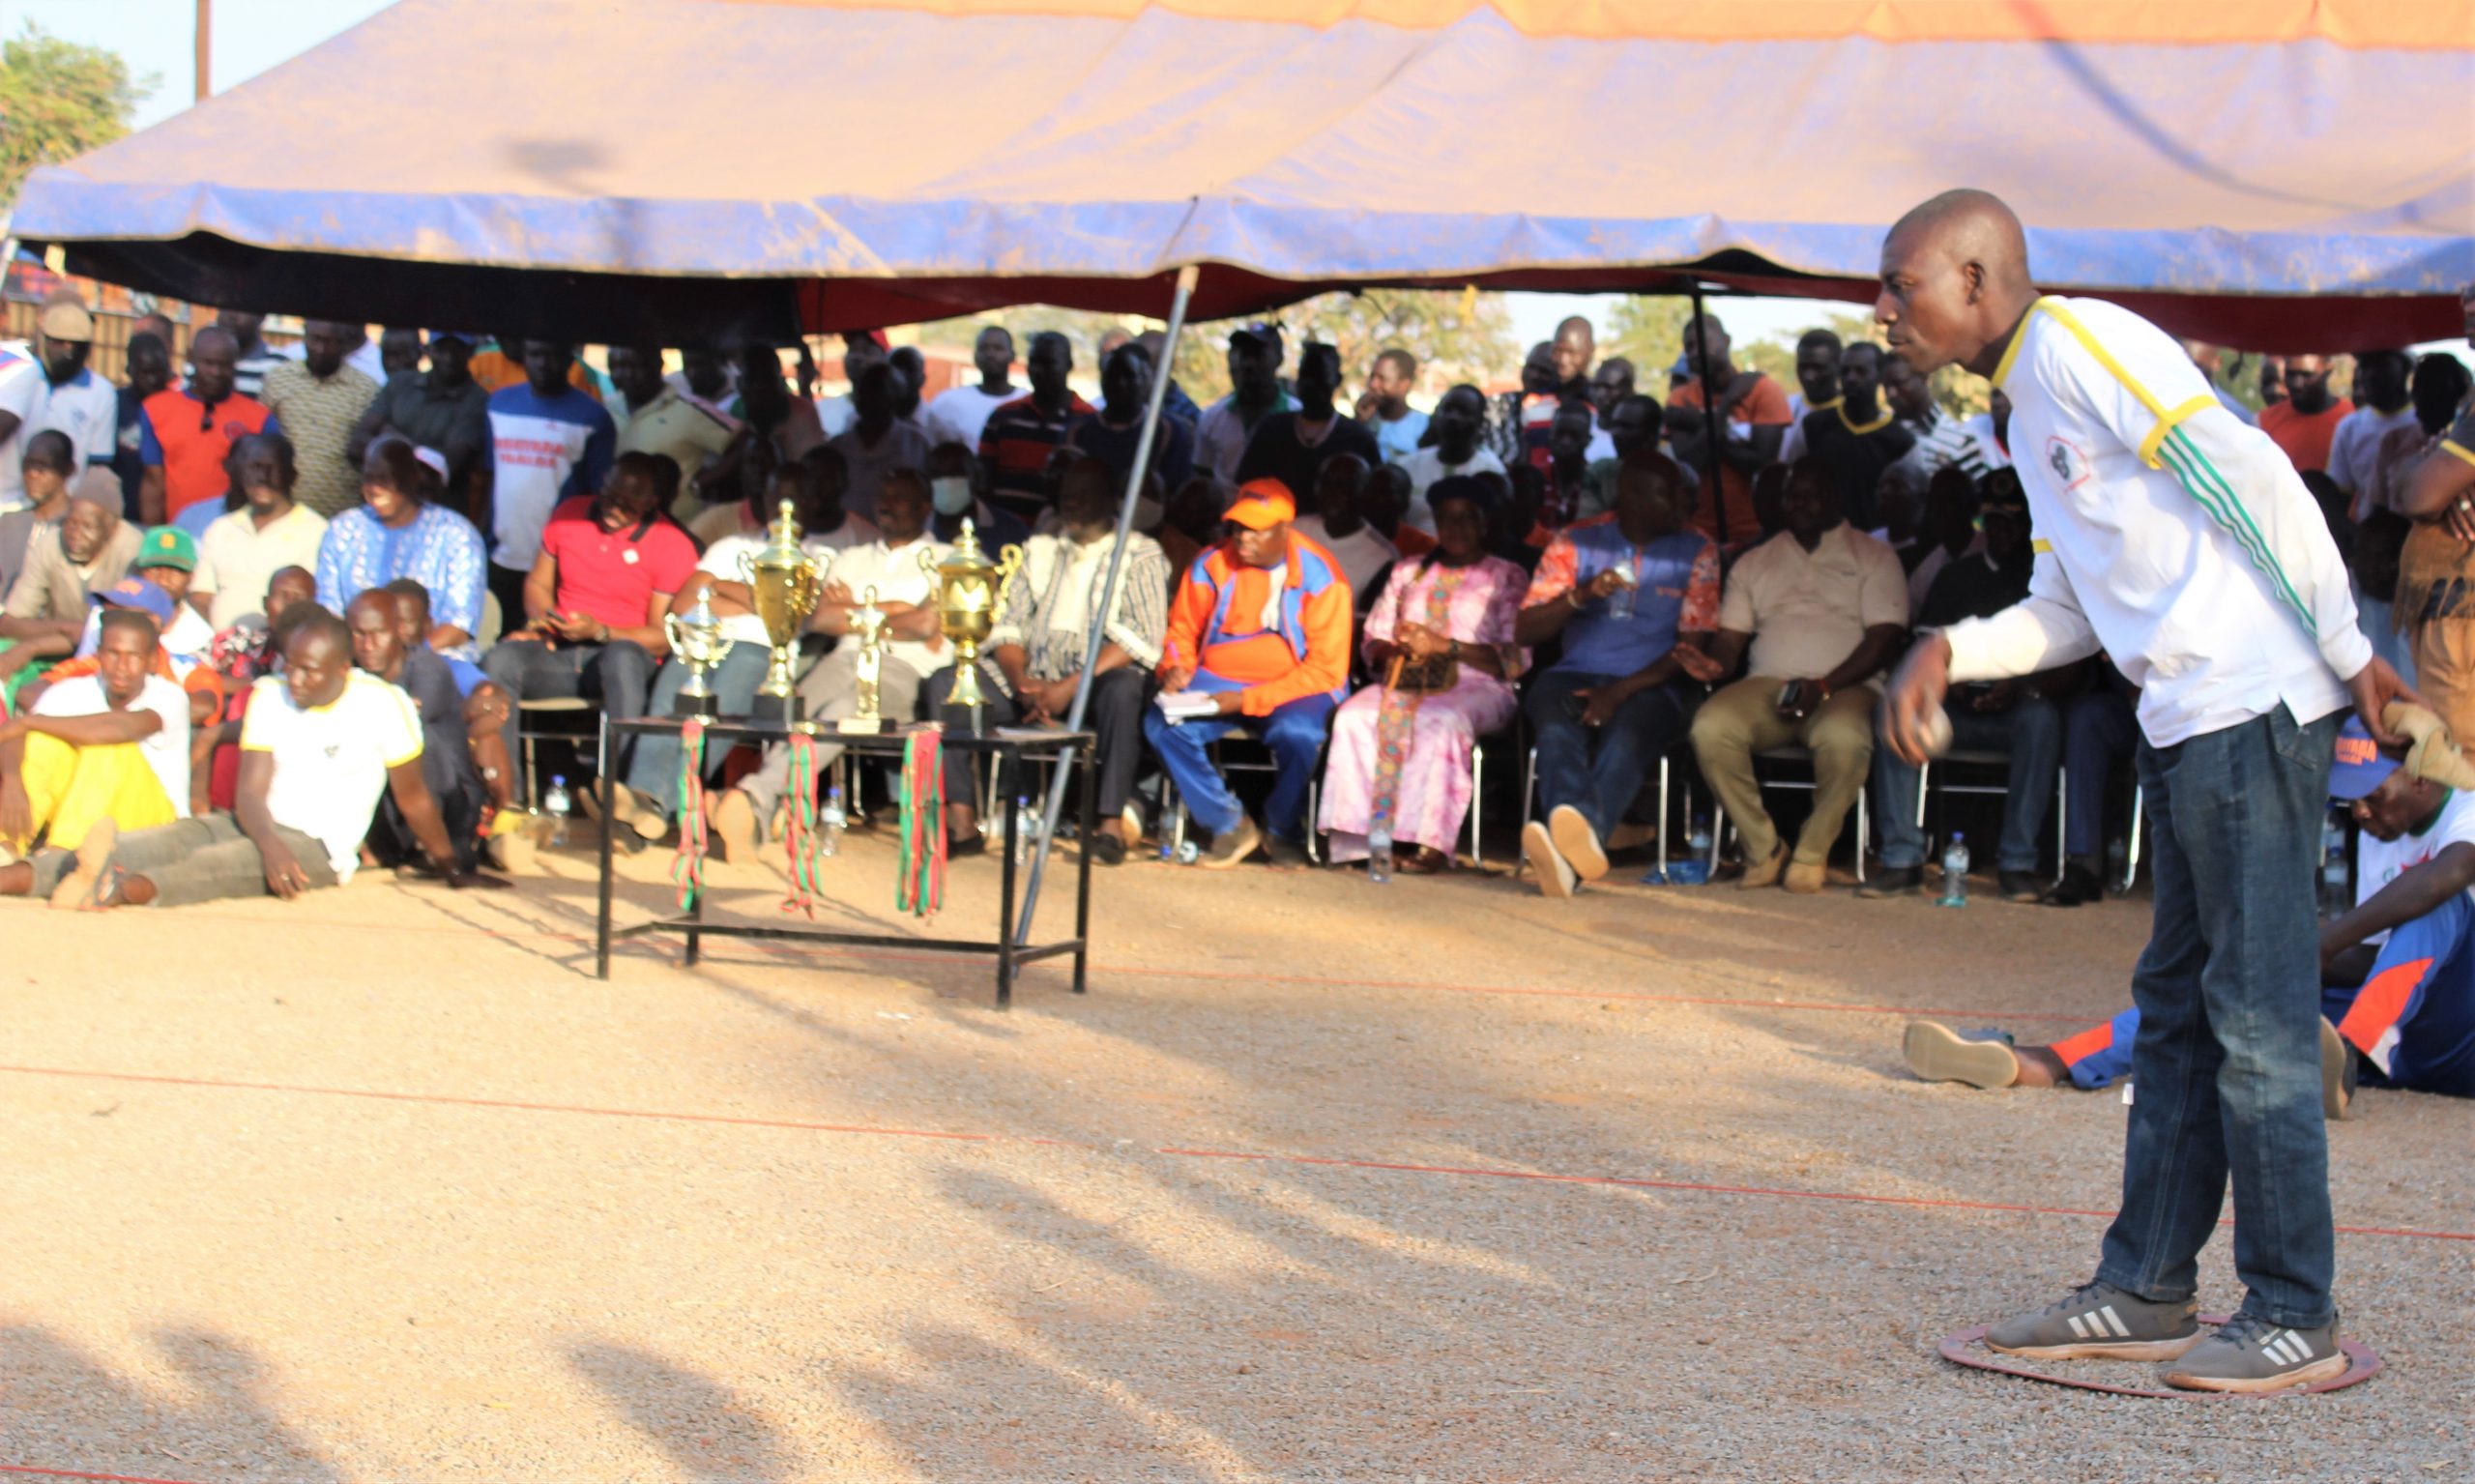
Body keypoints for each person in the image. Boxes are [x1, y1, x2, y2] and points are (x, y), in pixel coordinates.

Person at [1875, 189, 2411, 1392]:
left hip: (2250, 703)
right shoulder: (2024, 408)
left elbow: (2247, 472)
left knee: (2255, 1017)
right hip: (2183, 719)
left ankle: (2293, 1310)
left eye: (1899, 283)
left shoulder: (2082, 342)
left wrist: (2348, 649)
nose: (1883, 311)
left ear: (1974, 278)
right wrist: (1949, 646)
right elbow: (2064, 608)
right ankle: (2146, 1285)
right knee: (2176, 1008)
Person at [1907, 720, 2475, 1107]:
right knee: (2234, 982)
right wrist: (2281, 960)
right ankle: (2050, 1061)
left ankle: (2343, 1058)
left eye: (2374, 795)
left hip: (2458, 1039)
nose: (2361, 812)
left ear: (2420, 777)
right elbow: (2377, 957)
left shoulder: (2466, 809)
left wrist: (2320, 945)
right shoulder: (2380, 829)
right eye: (2351, 799)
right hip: (2393, 1039)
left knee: (2437, 904)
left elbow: (2447, 876)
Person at [31, 609, 498, 911]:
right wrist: (270, 844)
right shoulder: (270, 694)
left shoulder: (383, 703)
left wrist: (453, 868)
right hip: (252, 822)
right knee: (170, 839)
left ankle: (115, 888)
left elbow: (414, 800)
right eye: (290, 665)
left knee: (211, 868)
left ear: (342, 669)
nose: (294, 678)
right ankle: (28, 875)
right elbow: (250, 793)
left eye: (308, 671)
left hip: (318, 847)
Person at [922, 456, 1168, 862]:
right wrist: (1021, 680)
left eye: (1084, 496)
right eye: (1066, 496)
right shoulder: (1038, 550)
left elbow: (1142, 637)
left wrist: (1069, 687)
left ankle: (1109, 825)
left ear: (1110, 500)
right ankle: (961, 821)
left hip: (1096, 685)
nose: (1072, 504)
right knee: (946, 683)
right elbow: (1009, 626)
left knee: (1124, 689)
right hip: (1031, 682)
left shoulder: (1140, 553)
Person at [703, 470, 951, 860]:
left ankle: (758, 794)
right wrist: (895, 613)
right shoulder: (851, 557)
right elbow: (816, 618)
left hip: (902, 669)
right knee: (798, 705)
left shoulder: (948, 559)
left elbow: (925, 625)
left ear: (925, 508)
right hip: (842, 658)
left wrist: (850, 611)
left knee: (847, 711)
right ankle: (766, 804)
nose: (887, 505)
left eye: (899, 498)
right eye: (883, 496)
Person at [611, 461, 861, 847]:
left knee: (720, 716)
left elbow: (801, 614)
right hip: (702, 642)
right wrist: (765, 600)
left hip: (763, 651)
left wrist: (721, 588)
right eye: (775, 493)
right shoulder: (731, 545)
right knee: (668, 704)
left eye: (794, 496)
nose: (782, 504)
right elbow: (685, 603)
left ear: (813, 501)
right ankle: (643, 798)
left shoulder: (823, 556)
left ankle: (660, 807)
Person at [1691, 458, 1907, 893]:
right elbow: (1731, 640)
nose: (1799, 504)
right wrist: (1713, 664)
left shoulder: (1874, 555)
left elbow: (1884, 639)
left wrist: (1823, 686)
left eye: (1811, 495)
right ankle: (1763, 849)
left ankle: (1811, 853)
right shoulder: (1756, 561)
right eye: (1792, 495)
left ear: (1836, 499)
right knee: (1710, 728)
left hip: (1846, 687)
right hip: (1768, 684)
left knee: (1846, 739)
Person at [1515, 451, 1719, 895]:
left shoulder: (1697, 548)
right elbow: (1525, 629)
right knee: (1555, 727)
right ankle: (1578, 848)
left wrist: (1619, 692)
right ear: (1632, 497)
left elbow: (1690, 648)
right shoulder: (1576, 541)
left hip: (1653, 682)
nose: (1683, 503)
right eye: (1669, 494)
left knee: (1628, 733)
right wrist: (1582, 594)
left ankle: (1569, 850)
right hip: (1575, 672)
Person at [1862, 480, 2063, 901]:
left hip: (2014, 712)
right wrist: (1950, 687)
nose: (2002, 532)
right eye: (1993, 522)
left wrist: (2017, 688)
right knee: (1895, 708)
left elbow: (2067, 660)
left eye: (2012, 523)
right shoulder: (1956, 575)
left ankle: (2017, 863)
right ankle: (1901, 858)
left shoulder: (2044, 580)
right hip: (1953, 709)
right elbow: (1921, 651)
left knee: (2042, 720)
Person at [1317, 477, 1524, 872]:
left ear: (1484, 524)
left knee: (1440, 721)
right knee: (1353, 717)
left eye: (1467, 518)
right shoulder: (1408, 571)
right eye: (1447, 519)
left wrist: (1445, 646)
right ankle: (1363, 842)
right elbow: (1374, 637)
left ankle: (1429, 843)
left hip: (1478, 683)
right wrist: (1392, 652)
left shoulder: (1506, 576)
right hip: (1405, 678)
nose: (1456, 528)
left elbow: (1513, 659)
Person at [1145, 480, 1351, 868]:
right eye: (1239, 527)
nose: (1243, 537)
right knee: (1163, 724)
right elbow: (1181, 631)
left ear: (1285, 530)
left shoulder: (1322, 576)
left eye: (1256, 530)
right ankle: (1229, 824)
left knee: (1301, 735)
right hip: (1217, 677)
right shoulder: (1211, 562)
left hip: (1295, 683)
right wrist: (1175, 667)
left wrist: (1246, 700)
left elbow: (1326, 669)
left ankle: (1282, 828)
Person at [482, 451, 696, 797]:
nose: (613, 510)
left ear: (652, 502)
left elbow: (662, 637)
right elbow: (537, 583)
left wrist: (600, 631)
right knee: (500, 660)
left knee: (621, 658)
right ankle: (507, 798)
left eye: (627, 506)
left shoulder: (672, 544)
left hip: (621, 657)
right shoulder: (569, 515)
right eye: (608, 497)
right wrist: (544, 620)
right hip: (561, 649)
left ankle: (619, 797)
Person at [0, 607, 189, 866]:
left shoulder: (170, 696)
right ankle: (7, 848)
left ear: (151, 660)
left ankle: (62, 855)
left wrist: (29, 721)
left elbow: (117, 729)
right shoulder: (71, 691)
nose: (122, 666)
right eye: (113, 653)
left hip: (156, 819)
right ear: (98, 654)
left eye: (133, 656)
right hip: (91, 812)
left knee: (106, 748)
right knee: (45, 742)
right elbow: (15, 735)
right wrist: (12, 782)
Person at [345, 590, 485, 873]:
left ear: (399, 630)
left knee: (410, 739)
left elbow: (399, 723)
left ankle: (435, 850)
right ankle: (377, 847)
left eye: (378, 633)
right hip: (395, 806)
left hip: (449, 806)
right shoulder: (350, 669)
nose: (368, 645)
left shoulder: (428, 670)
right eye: (358, 634)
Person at [482, 340, 618, 627]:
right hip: (502, 555)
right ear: (524, 357)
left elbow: (597, 496)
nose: (543, 364)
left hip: (557, 564)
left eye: (553, 355)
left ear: (570, 359)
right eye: (535, 354)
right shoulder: (499, 404)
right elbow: (490, 479)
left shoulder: (593, 417)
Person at [316, 440, 490, 660]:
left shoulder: (456, 534)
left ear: (411, 478)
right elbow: (330, 612)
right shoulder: (343, 530)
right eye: (369, 477)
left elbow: (459, 626)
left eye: (385, 478)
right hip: (359, 659)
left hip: (436, 659)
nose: (375, 488)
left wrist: (403, 661)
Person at [1664, 313, 1793, 545]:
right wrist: (1725, 406)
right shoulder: (1680, 398)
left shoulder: (1763, 390)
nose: (1695, 352)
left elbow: (1761, 463)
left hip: (1755, 532)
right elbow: (1691, 462)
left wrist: (1700, 424)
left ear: (1726, 340)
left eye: (1703, 342)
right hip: (1696, 533)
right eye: (1689, 346)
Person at [1, 495, 142, 704]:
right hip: (52, 646)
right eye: (71, 522)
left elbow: (111, 635)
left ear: (111, 529)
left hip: (104, 660)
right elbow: (10, 622)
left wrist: (31, 647)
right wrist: (70, 629)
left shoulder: (131, 549)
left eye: (88, 526)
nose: (75, 533)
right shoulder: (50, 542)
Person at [137, 327, 280, 532]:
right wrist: (152, 536)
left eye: (224, 364)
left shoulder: (260, 418)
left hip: (235, 534)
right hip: (177, 535)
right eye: (208, 363)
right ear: (191, 358)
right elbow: (153, 483)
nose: (216, 372)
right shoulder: (156, 409)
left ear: (235, 363)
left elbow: (270, 486)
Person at [193, 433, 329, 631]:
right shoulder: (221, 528)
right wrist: (220, 641)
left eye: (273, 468)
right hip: (217, 643)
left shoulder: (317, 531)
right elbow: (200, 595)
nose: (263, 477)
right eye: (255, 467)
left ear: (291, 475)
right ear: (241, 474)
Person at [350, 329, 491, 511]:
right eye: (442, 349)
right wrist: (423, 454)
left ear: (471, 351)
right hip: (379, 509)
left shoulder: (478, 399)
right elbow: (356, 445)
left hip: (436, 514)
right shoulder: (400, 382)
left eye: (457, 350)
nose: (449, 358)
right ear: (428, 350)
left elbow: (442, 470)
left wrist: (391, 438)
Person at [258, 320, 380, 520]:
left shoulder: (367, 390)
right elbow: (261, 442)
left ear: (344, 343)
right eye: (315, 339)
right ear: (304, 335)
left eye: (330, 342)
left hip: (339, 517)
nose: (321, 349)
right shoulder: (278, 379)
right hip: (283, 516)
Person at [1236, 342, 1382, 507]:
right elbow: (1245, 487)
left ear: (1337, 380)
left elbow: (1374, 501)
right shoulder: (1271, 430)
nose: (1312, 385)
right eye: (1306, 376)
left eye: (1321, 378)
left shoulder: (1358, 439)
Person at [608, 344, 743, 519]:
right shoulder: (607, 409)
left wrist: (702, 483)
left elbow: (744, 441)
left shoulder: (689, 409)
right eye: (616, 366)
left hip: (679, 524)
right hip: (620, 524)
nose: (625, 374)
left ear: (657, 365)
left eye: (634, 366)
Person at [1795, 342, 1915, 532]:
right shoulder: (1814, 426)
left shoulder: (1900, 441)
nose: (1851, 378)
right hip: (1823, 540)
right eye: (1845, 371)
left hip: (1874, 542)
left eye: (1861, 371)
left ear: (1880, 376)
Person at [978, 333, 1094, 525]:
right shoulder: (1003, 416)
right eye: (1033, 362)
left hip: (1060, 532)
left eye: (1048, 363)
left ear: (1068, 365)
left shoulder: (1088, 421)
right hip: (1004, 531)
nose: (1039, 371)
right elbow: (984, 478)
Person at [1066, 343, 1195, 496]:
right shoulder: (1078, 432)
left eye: (1129, 376)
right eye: (1112, 376)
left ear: (1144, 381)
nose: (1120, 383)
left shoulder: (1168, 432)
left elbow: (1177, 491)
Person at [826, 363, 934, 522]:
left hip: (899, 533)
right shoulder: (837, 446)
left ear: (895, 398)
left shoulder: (917, 443)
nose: (871, 400)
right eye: (866, 392)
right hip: (845, 533)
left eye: (880, 392)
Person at [1195, 325, 1296, 488]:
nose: (1249, 363)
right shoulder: (1212, 417)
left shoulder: (1296, 415)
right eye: (1244, 354)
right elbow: (1201, 476)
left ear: (1278, 358)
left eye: (1258, 354)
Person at [26, 302, 118, 480]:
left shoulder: (100, 392)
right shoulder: (21, 375)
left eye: (76, 345)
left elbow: (98, 463)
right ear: (44, 340)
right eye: (59, 342)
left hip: (68, 496)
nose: (68, 352)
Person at [1396, 385, 1506, 532]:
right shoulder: (1406, 466)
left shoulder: (1492, 471)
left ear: (1480, 421)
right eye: (1447, 409)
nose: (1453, 417)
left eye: (1464, 412)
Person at [1291, 453, 1395, 600]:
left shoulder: (1381, 557)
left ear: (1365, 492)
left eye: (1344, 485)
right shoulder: (1294, 529)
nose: (1331, 492)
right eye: (1326, 482)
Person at [2327, 350, 2416, 521]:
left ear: (2405, 369)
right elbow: (2339, 498)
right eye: (2365, 366)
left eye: (2382, 366)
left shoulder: (2425, 422)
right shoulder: (2349, 427)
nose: (2371, 375)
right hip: (2369, 533)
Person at [1880, 352, 1990, 485]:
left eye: (1899, 383)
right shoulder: (1885, 437)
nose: (1891, 393)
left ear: (1923, 377)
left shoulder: (1959, 437)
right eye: (1886, 386)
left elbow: (1978, 489)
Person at [1, 431, 76, 604]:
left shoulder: (78, 525)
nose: (33, 474)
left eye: (43, 467)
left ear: (69, 470)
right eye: (28, 465)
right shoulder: (11, 521)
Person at [116, 527, 214, 659]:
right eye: (155, 569)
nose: (163, 580)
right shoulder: (112, 617)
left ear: (191, 576)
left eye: (175, 570)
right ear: (139, 572)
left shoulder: (201, 635)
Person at [107, 333, 176, 519]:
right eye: (145, 373)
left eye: (159, 372)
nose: (153, 380)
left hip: (164, 514)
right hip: (121, 511)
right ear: (129, 370)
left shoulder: (179, 408)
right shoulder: (114, 404)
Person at [925, 326, 1021, 451]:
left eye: (998, 348)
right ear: (975, 356)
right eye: (983, 348)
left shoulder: (1027, 403)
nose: (990, 354)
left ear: (1012, 355)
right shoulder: (948, 402)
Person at [2258, 353, 2352, 475]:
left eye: (2307, 375)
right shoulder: (2263, 423)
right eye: (2291, 374)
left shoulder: (2351, 421)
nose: (2297, 383)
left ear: (2328, 369)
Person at [1775, 329, 1845, 465]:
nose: (1809, 376)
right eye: (1803, 367)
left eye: (1818, 368)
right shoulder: (1786, 408)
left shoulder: (1851, 415)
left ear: (1838, 367)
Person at [1359, 348, 1428, 465]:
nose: (1373, 384)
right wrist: (1359, 423)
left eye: (1382, 379)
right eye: (1372, 377)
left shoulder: (1423, 426)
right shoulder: (1364, 419)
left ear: (1404, 384)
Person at [813, 333, 887, 440]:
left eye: (867, 351)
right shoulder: (822, 409)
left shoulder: (897, 414)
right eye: (852, 350)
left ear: (885, 359)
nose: (856, 357)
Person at [214, 310, 296, 401]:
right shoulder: (203, 360)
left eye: (242, 309)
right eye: (226, 306)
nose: (232, 315)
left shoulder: (281, 367)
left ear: (261, 316)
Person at [1588, 358, 1636, 423]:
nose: (1600, 394)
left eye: (1608, 388)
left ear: (1627, 390)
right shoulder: (1581, 423)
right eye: (1596, 386)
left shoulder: (1640, 427)